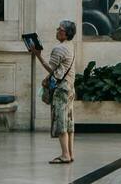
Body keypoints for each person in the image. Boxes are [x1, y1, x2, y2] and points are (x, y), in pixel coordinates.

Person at [32, 20, 76, 164]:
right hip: (70, 87)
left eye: (60, 29)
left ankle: (65, 155)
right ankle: (70, 153)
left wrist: (38, 55)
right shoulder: (71, 46)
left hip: (61, 89)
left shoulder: (59, 48)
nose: (57, 31)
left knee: (60, 121)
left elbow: (51, 68)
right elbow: (61, 70)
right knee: (69, 121)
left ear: (66, 33)